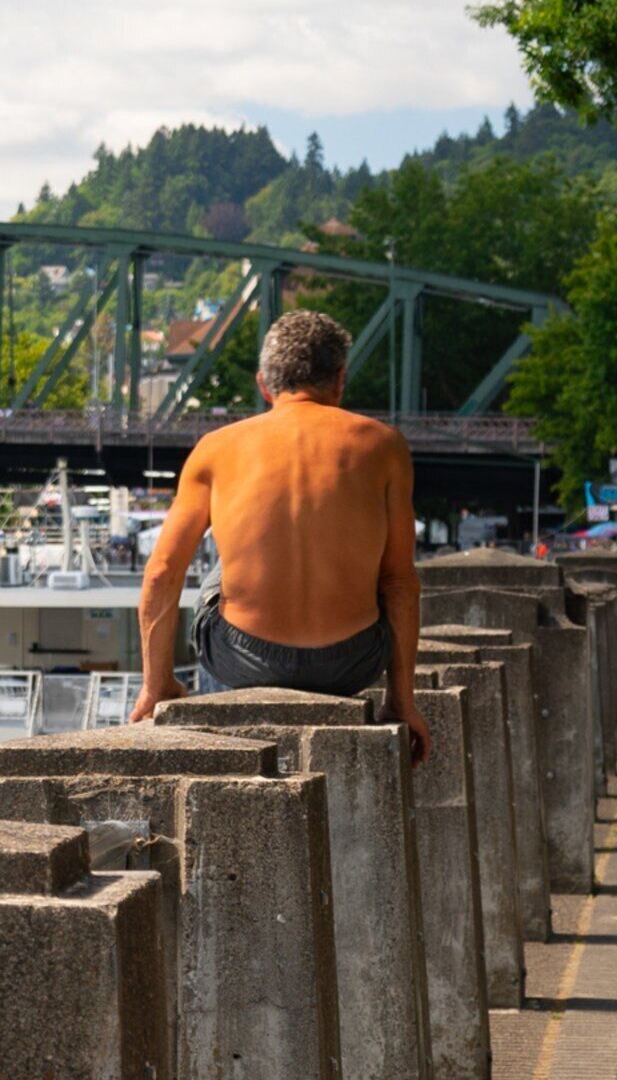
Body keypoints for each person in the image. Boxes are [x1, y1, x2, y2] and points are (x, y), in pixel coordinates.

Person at [137, 309, 429, 764]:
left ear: (263, 384)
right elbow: (399, 582)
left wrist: (156, 686)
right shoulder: (384, 445)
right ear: (339, 380)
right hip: (350, 664)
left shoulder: (216, 447)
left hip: (242, 660)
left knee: (223, 561)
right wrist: (403, 702)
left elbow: (161, 574)